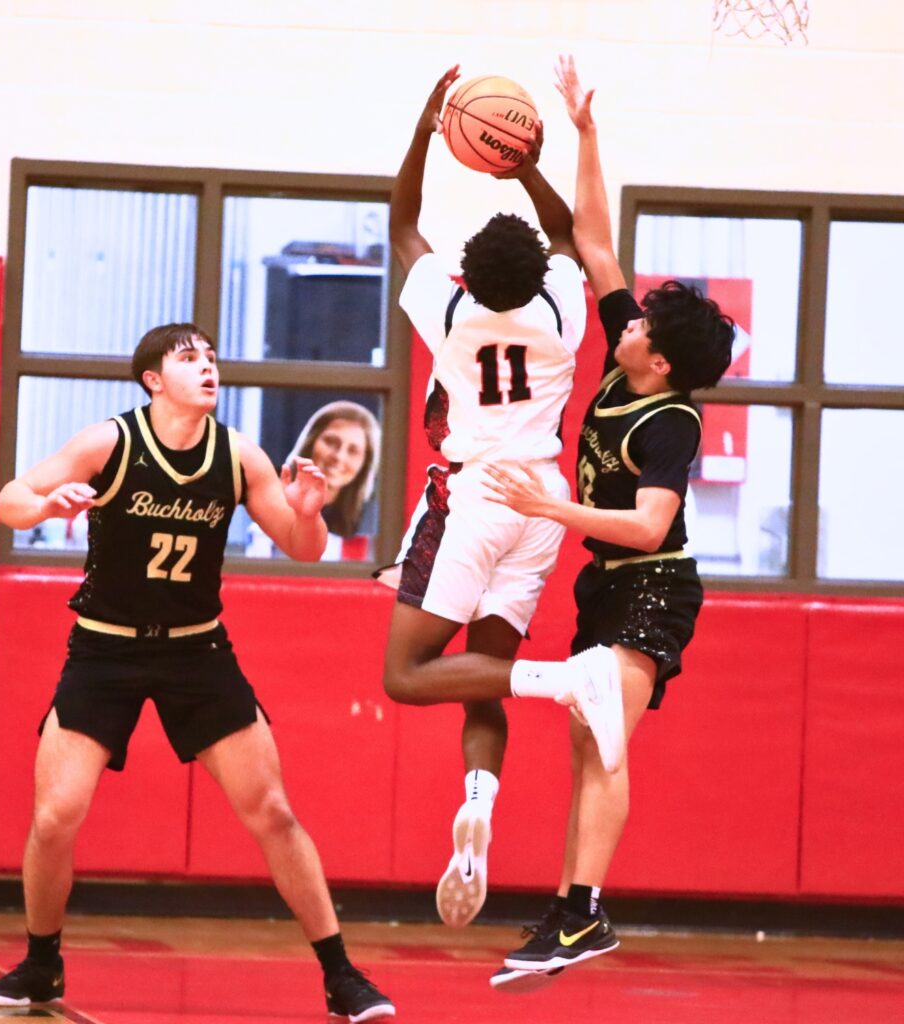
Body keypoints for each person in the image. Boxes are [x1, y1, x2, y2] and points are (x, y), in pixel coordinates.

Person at [0, 323, 395, 1022]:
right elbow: (7, 501)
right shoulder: (109, 442)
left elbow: (303, 546)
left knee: (273, 812)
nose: (208, 367)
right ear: (153, 379)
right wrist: (46, 505)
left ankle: (341, 974)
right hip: (105, 649)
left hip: (196, 651)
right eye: (189, 358)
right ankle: (41, 965)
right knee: (55, 817)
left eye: (211, 357)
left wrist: (308, 513)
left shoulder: (238, 455)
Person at [482, 55, 735, 990]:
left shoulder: (670, 420)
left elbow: (649, 527)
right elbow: (594, 243)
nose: (624, 323)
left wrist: (550, 505)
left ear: (660, 362)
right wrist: (585, 135)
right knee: (586, 745)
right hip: (606, 585)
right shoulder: (632, 364)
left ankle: (583, 912)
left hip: (653, 587)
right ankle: (571, 909)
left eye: (639, 328)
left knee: (606, 741)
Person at [377, 65, 626, 932]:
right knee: (480, 677)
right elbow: (566, 234)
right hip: (542, 503)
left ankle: (564, 681)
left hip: (476, 498)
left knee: (406, 675)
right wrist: (525, 164)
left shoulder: (450, 315)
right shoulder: (562, 312)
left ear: (468, 277)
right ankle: (478, 802)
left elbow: (401, 224)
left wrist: (426, 131)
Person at [289, 400, 381, 559]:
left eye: (353, 451)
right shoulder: (270, 498)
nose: (339, 457)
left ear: (365, 464)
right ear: (310, 442)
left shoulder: (373, 523)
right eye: (331, 442)